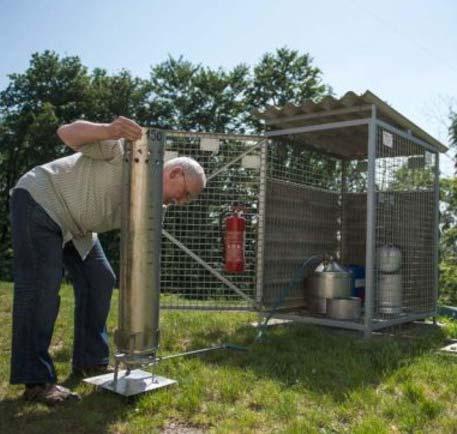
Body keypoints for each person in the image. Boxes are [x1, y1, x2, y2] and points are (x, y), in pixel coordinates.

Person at [9, 116, 206, 405]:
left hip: (77, 227)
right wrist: (109, 130)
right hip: (42, 200)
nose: (182, 201)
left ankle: (90, 361)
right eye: (185, 193)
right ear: (175, 173)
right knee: (41, 290)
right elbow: (66, 132)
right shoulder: (123, 151)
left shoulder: (154, 204)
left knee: (100, 279)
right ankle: (36, 381)